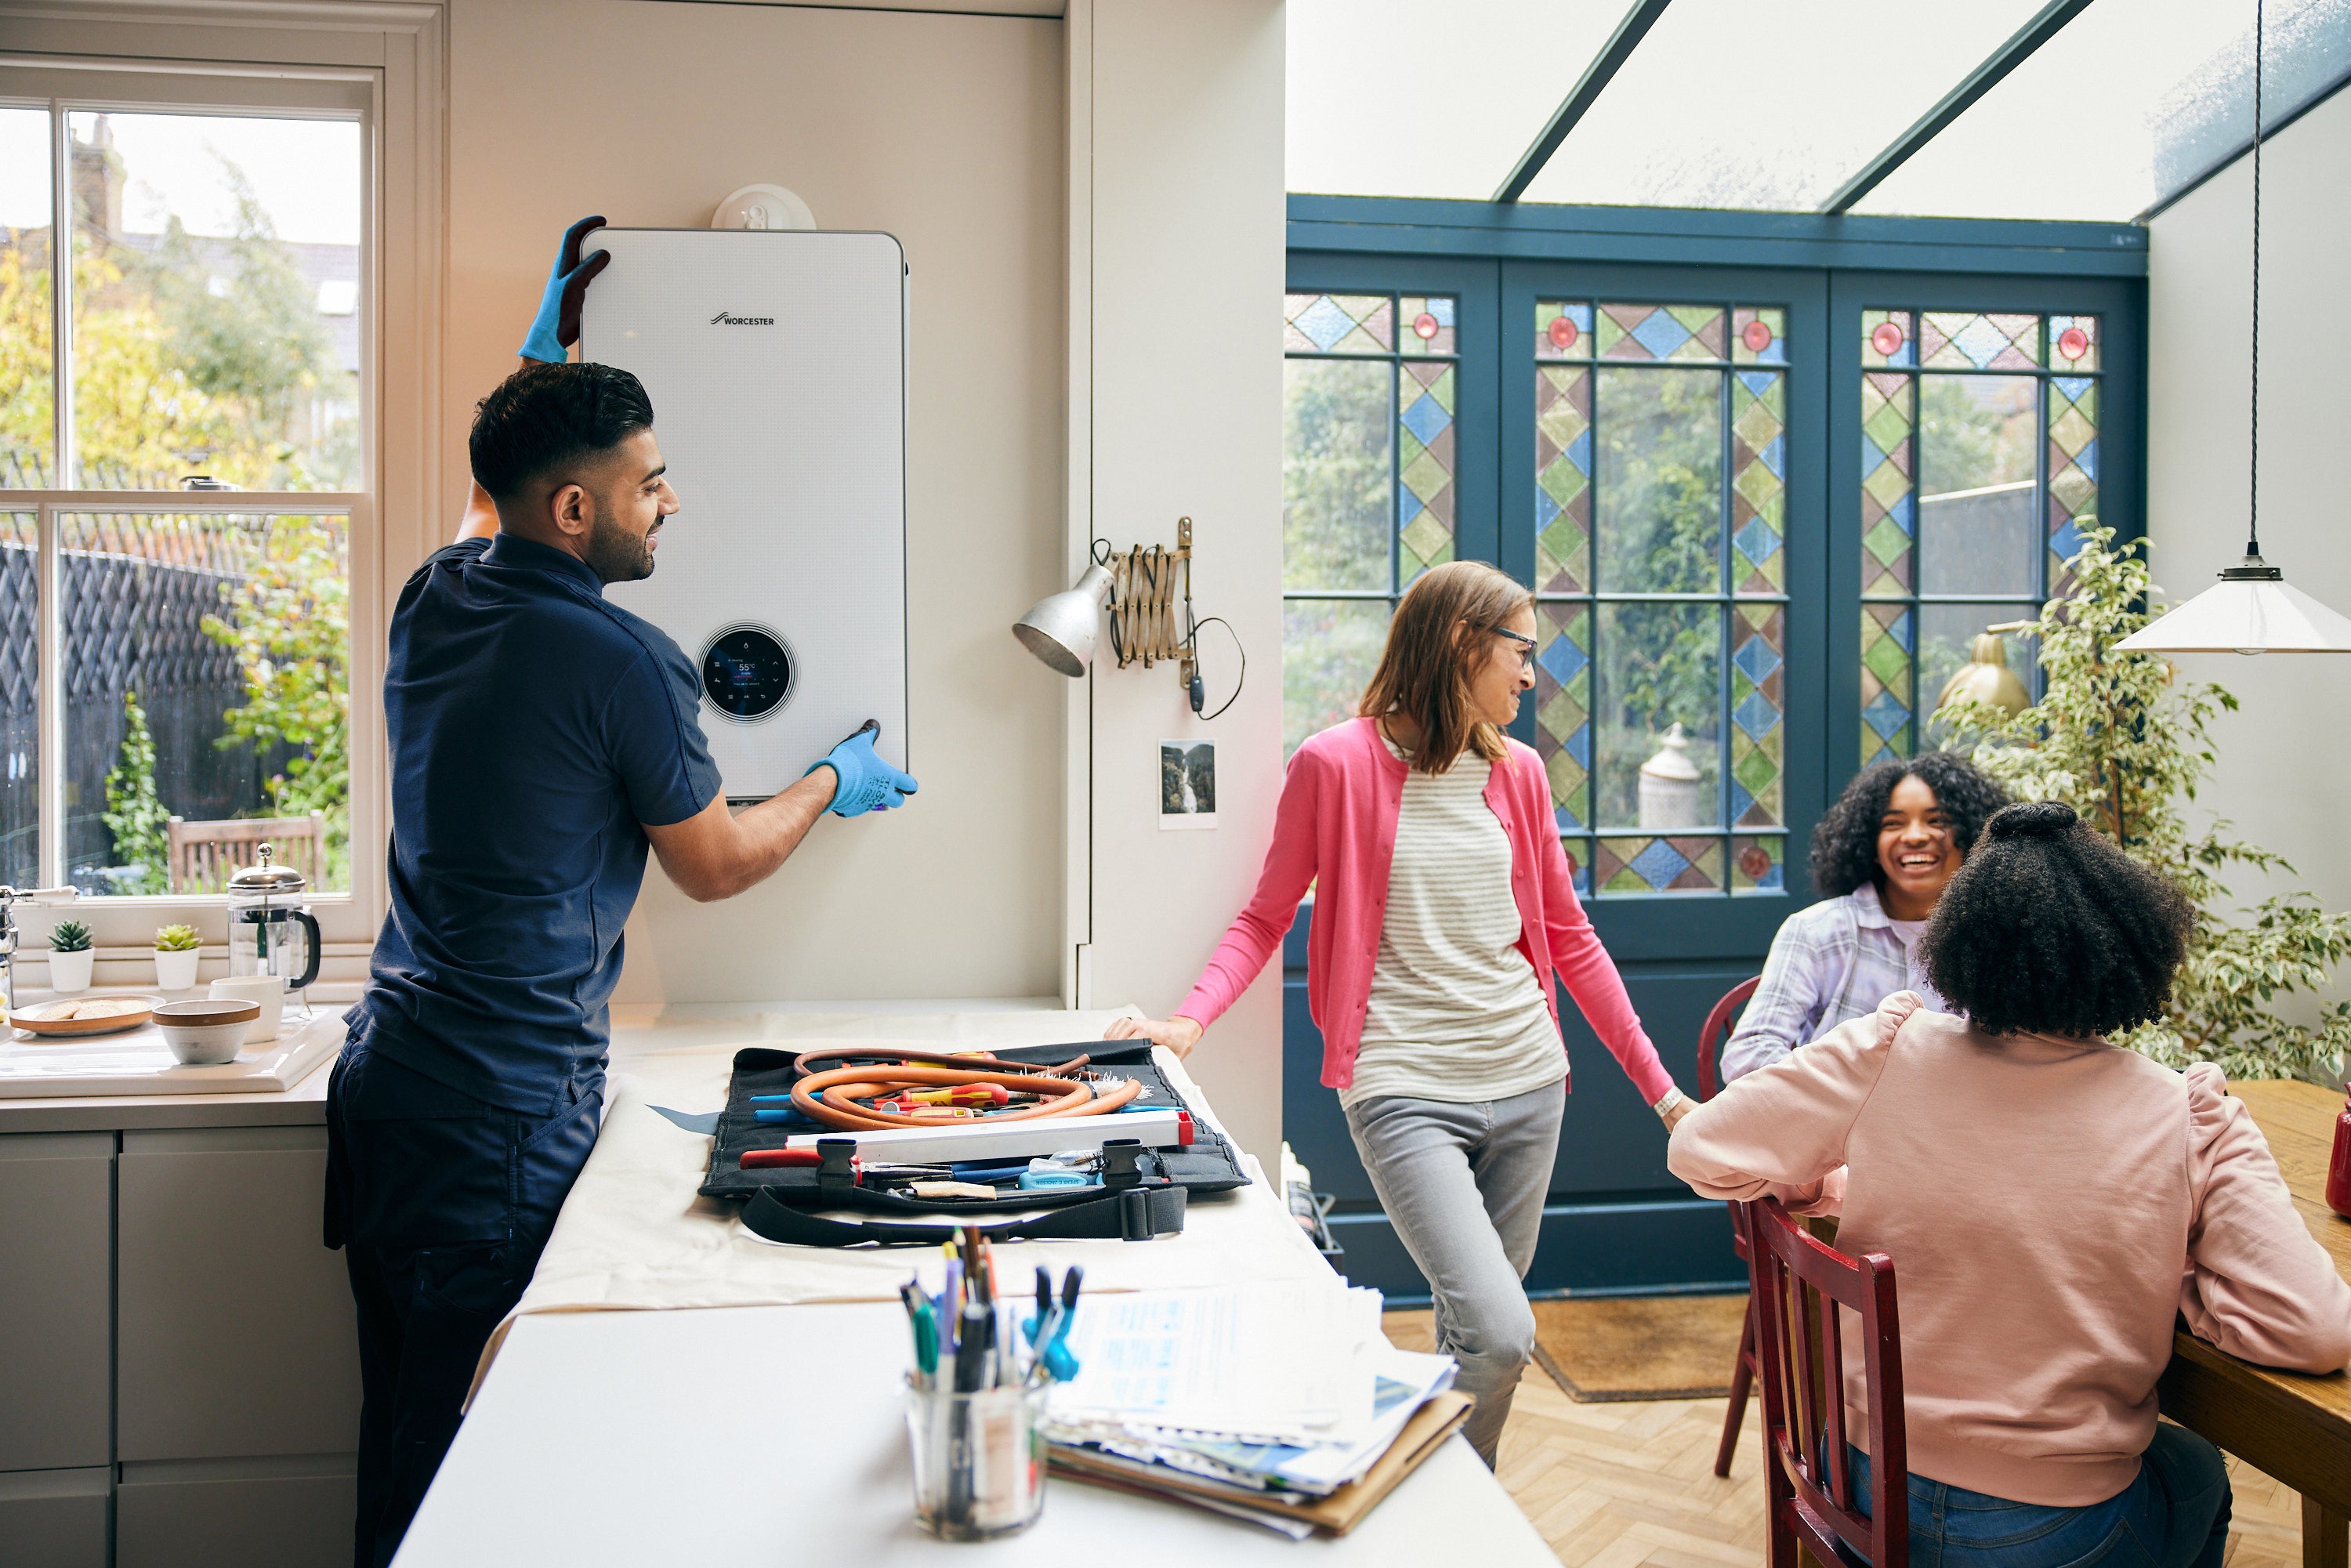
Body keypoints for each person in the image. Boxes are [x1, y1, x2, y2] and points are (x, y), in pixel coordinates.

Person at [325, 218, 919, 1567]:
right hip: (495, 1108)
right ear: (578, 510)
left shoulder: (437, 593)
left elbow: (488, 507)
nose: (671, 502)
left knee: (404, 1420)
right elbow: (712, 865)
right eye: (650, 483)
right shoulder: (622, 660)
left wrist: (542, 362)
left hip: (393, 1085)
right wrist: (833, 779)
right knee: (458, 1462)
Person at [1108, 560, 1686, 1467]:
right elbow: (1266, 915)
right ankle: (1413, 1495)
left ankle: (1455, 1516)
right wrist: (1191, 1020)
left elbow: (1568, 938)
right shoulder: (1334, 764)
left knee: (1476, 1334)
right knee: (1500, 1335)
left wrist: (1666, 1096)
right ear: (1463, 644)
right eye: (1520, 652)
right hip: (1403, 1087)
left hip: (1530, 1083)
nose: (1531, 676)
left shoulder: (1521, 774)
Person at [1669, 801, 2351, 1568]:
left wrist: (1833, 1183)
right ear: (2130, 946)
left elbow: (1701, 1149)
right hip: (2052, 1529)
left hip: (1856, 1483)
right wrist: (2184, 1286)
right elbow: (2317, 1332)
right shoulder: (2187, 1113)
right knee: (2194, 1475)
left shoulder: (1889, 1048)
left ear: (1961, 941)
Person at [1718, 751, 2007, 1083]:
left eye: (1937, 821)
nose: (1914, 836)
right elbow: (1748, 1053)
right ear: (1869, 842)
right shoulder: (1817, 931)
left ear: (1974, 836)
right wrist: (1839, 1096)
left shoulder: (2000, 938)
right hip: (1839, 1129)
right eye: (1893, 823)